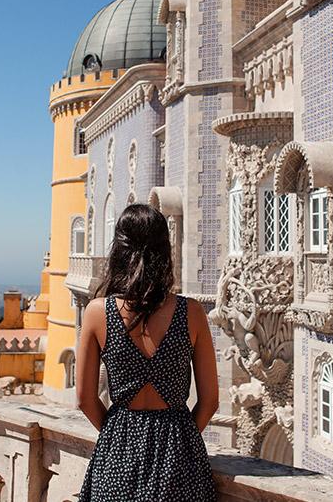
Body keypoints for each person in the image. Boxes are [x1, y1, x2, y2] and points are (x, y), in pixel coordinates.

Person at [76, 203, 218, 501]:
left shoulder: (97, 313)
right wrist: (184, 438)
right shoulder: (190, 312)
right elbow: (210, 401)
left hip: (117, 450)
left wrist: (118, 435)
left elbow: (85, 399)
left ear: (119, 250)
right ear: (164, 251)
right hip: (179, 453)